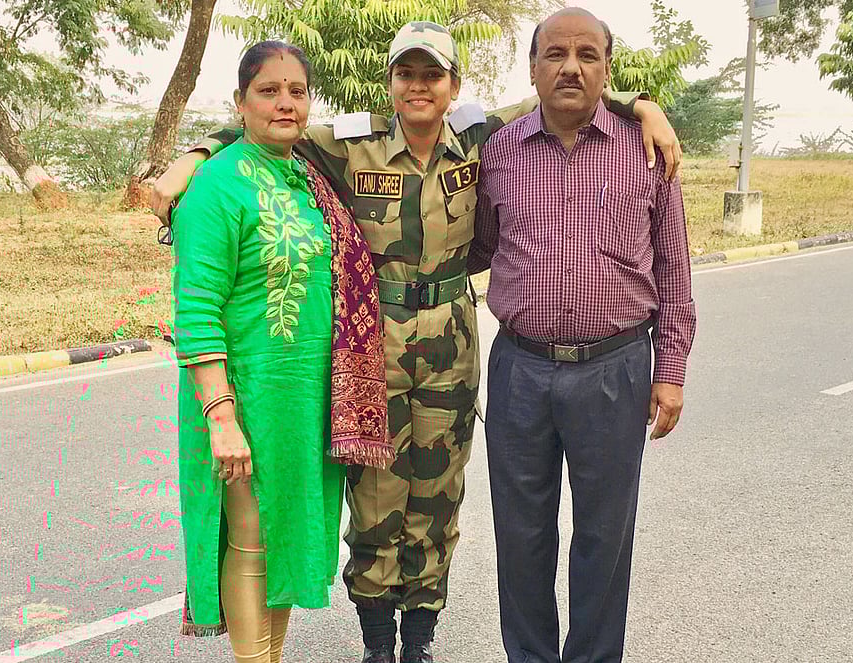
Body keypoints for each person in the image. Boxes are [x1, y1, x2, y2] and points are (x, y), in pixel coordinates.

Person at [154, 21, 681, 663]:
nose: (419, 86)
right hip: (373, 340)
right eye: (407, 74)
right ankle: (378, 642)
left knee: (438, 491)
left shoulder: (483, 135)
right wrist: (192, 157)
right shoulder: (350, 141)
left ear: (454, 86)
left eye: (433, 75)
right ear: (390, 83)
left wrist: (642, 107)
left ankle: (420, 642)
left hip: (452, 340)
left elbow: (564, 93)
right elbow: (267, 125)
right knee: (374, 495)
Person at [468, 8, 697, 663]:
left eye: (588, 55)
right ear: (533, 68)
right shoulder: (499, 151)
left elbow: (675, 266)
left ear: (606, 69)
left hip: (617, 369)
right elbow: (480, 245)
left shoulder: (647, 149)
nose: (572, 66)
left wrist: (672, 369)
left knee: (604, 535)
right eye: (557, 54)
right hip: (520, 370)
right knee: (521, 535)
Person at [172, 40, 389, 663]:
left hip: (303, 401)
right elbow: (196, 307)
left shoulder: (306, 178)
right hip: (243, 397)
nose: (285, 103)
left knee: (285, 535)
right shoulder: (216, 185)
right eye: (269, 91)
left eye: (297, 91)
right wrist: (220, 415)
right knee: (251, 539)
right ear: (240, 103)